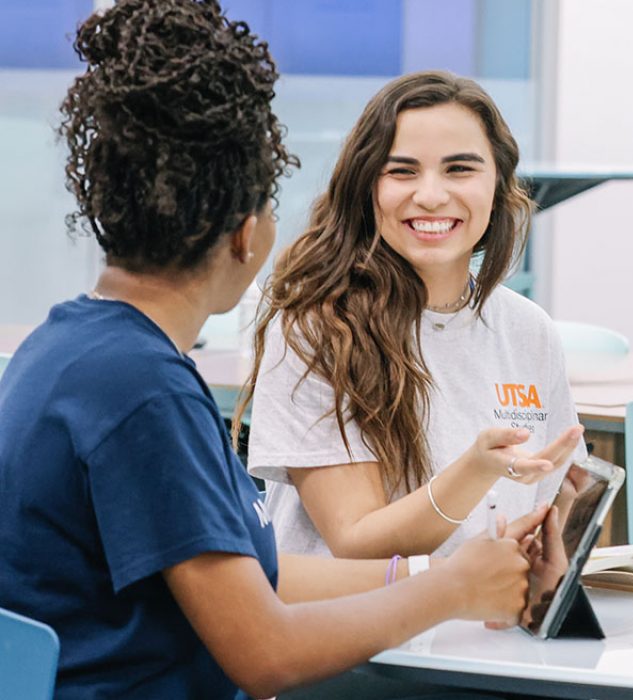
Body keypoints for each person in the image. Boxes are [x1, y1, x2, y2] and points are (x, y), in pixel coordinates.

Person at [0, 2, 537, 697]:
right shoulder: (142, 391)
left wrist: (432, 574)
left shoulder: (68, 347)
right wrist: (452, 592)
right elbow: (266, 656)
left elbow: (253, 572)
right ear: (245, 234)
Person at [235, 70, 587, 562]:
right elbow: (356, 542)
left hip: (484, 629)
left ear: (499, 185)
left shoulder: (529, 330)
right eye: (402, 171)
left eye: (460, 169)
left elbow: (550, 508)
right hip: (357, 631)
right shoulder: (317, 328)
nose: (431, 195)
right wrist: (476, 471)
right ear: (366, 187)